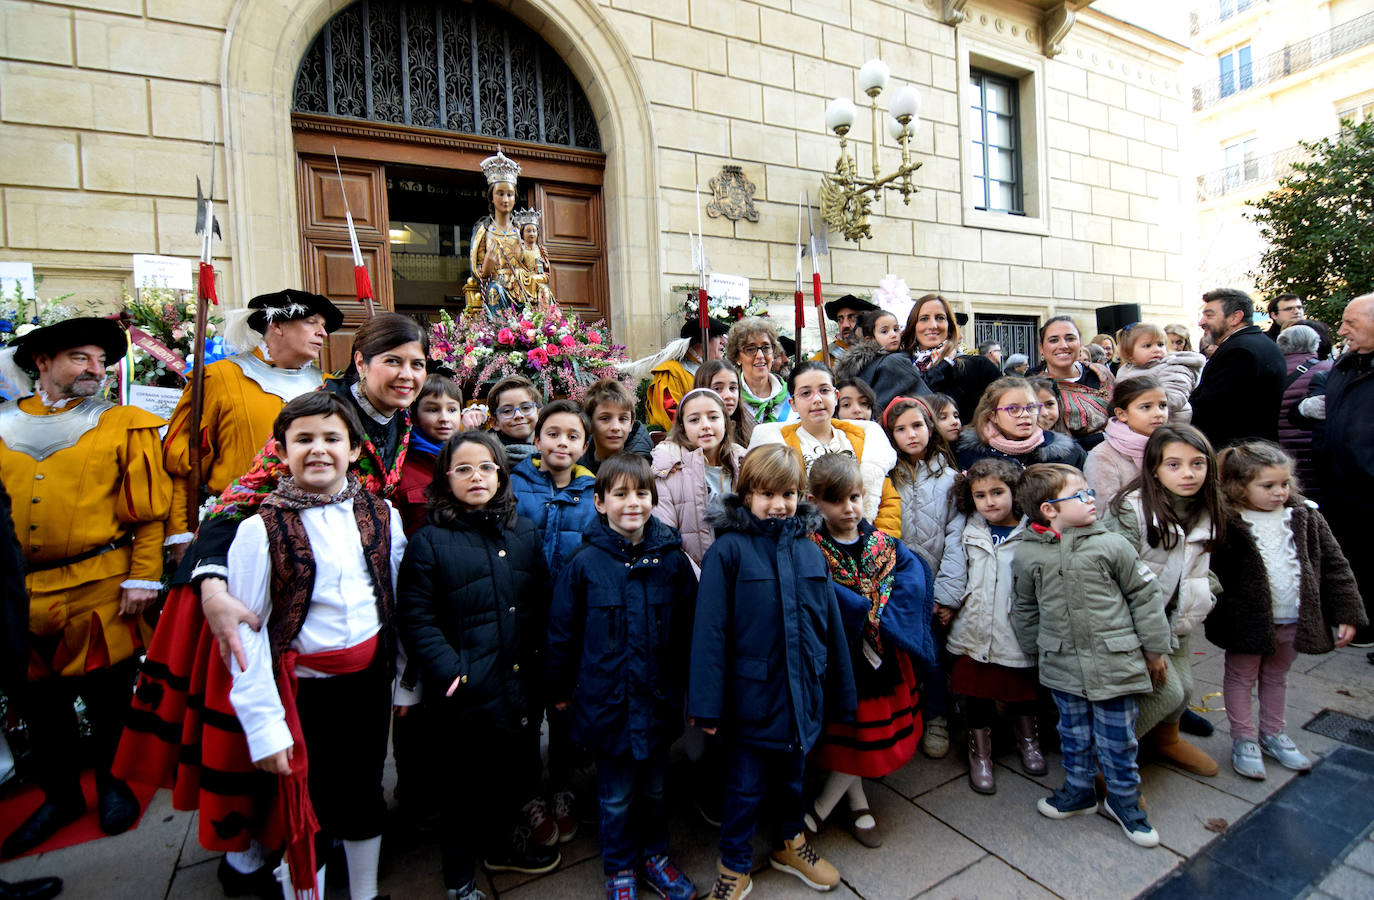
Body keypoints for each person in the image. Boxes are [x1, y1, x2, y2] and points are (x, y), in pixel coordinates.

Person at [115, 314, 427, 887]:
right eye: (393, 361)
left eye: (416, 364)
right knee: (273, 744)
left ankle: (342, 842)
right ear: (359, 363)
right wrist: (211, 581)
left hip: (355, 590)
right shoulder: (320, 413)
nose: (407, 375)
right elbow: (241, 499)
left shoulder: (397, 419)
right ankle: (263, 850)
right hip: (283, 589)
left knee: (350, 760)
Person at [220, 392, 407, 900]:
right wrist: (263, 726)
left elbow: (393, 597)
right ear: (281, 451)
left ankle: (366, 892)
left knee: (365, 787)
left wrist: (403, 683)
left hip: (368, 681)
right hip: (303, 692)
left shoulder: (380, 513)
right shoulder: (260, 530)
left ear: (353, 451)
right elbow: (247, 635)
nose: (319, 450)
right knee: (310, 800)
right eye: (304, 439)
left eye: (332, 439)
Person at [0, 317, 170, 858]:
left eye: (100, 361)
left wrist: (144, 575)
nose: (95, 370)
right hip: (18, 592)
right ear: (42, 362)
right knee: (41, 706)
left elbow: (148, 515)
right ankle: (60, 797)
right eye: (80, 358)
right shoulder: (0, 424)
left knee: (109, 699)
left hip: (102, 586)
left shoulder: (126, 424)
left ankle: (114, 784)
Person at [689, 445, 856, 899]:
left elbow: (830, 627)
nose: (778, 504)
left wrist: (840, 690)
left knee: (792, 780)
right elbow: (711, 633)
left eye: (786, 493)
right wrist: (705, 704)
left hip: (802, 694)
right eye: (766, 494)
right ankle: (735, 865)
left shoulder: (809, 552)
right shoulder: (729, 552)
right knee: (743, 789)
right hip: (752, 700)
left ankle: (790, 843)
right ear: (746, 496)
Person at [397, 430, 559, 897]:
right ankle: (460, 880)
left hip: (517, 682)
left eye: (486, 467)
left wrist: (540, 667)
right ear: (446, 478)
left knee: (512, 775)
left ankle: (503, 845)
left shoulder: (522, 531)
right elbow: (417, 617)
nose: (476, 477)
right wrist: (453, 673)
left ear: (501, 474)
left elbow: (538, 602)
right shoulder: (430, 541)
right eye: (464, 468)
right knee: (462, 792)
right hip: (466, 692)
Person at [548, 454, 698, 900]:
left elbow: (690, 628)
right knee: (614, 797)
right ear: (599, 502)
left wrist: (693, 687)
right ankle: (619, 868)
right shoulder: (583, 564)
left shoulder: (671, 560)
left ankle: (655, 858)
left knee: (654, 790)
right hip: (606, 704)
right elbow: (562, 632)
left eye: (642, 493)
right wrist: (558, 688)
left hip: (657, 702)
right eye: (620, 494)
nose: (632, 503)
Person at [1010, 463, 1172, 848]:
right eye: (1079, 495)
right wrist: (1036, 649)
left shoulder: (1111, 544)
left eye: (1089, 493)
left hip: (1114, 660)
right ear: (1049, 509)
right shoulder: (1029, 554)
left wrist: (1154, 650)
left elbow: (1144, 597)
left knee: (1118, 739)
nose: (1091, 500)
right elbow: (1025, 607)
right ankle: (1079, 790)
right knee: (1073, 732)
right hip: (1062, 661)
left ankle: (1125, 801)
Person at [1208, 441, 1365, 778]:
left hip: (1292, 618)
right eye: (1268, 486)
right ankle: (1244, 738)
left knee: (1277, 676)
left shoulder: (1305, 516)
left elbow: (1336, 565)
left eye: (1284, 484)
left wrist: (1347, 612)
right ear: (1238, 486)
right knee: (1240, 677)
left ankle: (1273, 732)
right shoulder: (1227, 522)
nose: (1279, 492)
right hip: (1246, 623)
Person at [804, 453, 933, 847]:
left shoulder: (882, 543)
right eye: (837, 501)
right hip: (843, 659)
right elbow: (815, 598)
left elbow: (912, 581)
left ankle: (820, 811)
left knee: (866, 736)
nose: (849, 509)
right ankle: (855, 805)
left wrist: (883, 617)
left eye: (856, 498)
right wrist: (855, 609)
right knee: (852, 736)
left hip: (882, 659)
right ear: (815, 502)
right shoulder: (811, 547)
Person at [164, 289, 342, 560]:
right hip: (232, 530)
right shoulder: (217, 378)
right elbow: (183, 462)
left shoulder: (329, 387)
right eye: (311, 322)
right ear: (277, 324)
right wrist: (180, 532)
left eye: (323, 325)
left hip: (314, 533)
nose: (323, 333)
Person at [1102, 425, 1225, 778]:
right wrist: (1145, 643)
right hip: (1141, 623)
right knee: (1165, 691)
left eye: (1197, 463)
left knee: (1184, 690)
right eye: (1174, 464)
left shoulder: (1207, 507)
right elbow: (1113, 575)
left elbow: (1201, 564)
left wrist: (1206, 592)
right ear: (1154, 467)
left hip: (1182, 617)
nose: (1188, 473)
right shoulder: (1132, 510)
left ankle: (1166, 740)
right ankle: (1104, 758)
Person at [875, 397, 966, 759]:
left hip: (936, 585)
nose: (911, 435)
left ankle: (937, 717)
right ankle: (906, 718)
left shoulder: (951, 479)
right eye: (900, 429)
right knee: (902, 658)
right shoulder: (883, 477)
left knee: (933, 657)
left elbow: (958, 537)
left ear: (931, 427)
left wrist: (946, 594)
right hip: (898, 588)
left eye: (917, 426)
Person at [945, 458, 1041, 794]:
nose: (990, 502)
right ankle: (980, 753)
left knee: (1021, 688)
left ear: (1014, 492)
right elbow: (957, 569)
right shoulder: (971, 528)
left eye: (998, 492)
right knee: (977, 693)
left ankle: (1028, 740)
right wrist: (949, 602)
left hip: (1013, 625)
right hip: (975, 625)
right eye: (981, 495)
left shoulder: (1031, 531)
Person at [1292, 294, 1374, 644]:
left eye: (1350, 323)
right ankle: (1357, 623)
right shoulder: (1345, 364)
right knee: (1349, 557)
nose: (1341, 330)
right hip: (1339, 485)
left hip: (1367, 485)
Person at [749, 361, 897, 523]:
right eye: (806, 393)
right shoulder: (779, 444)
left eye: (824, 390)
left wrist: (875, 543)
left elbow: (888, 501)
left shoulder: (864, 439)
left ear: (836, 397)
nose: (817, 399)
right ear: (793, 404)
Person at [651, 388, 746, 571]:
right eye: (694, 420)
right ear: (682, 427)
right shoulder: (668, 470)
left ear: (725, 423)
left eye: (713, 417)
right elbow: (664, 534)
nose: (705, 425)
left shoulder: (744, 465)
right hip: (692, 578)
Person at [1189, 288, 1287, 449]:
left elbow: (1212, 409)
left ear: (1235, 317)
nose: (1201, 322)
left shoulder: (1239, 351)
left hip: (1238, 456)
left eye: (1209, 315)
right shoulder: (1259, 343)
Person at [470, 150, 551, 315]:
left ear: (515, 198)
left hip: (522, 283)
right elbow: (478, 270)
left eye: (510, 194)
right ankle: (500, 334)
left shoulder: (520, 230)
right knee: (495, 291)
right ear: (491, 196)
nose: (505, 199)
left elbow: (533, 263)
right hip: (497, 284)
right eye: (500, 194)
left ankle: (544, 329)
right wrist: (485, 269)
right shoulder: (484, 231)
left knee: (544, 292)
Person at [899, 294, 999, 422]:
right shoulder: (899, 366)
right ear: (913, 326)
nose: (933, 325)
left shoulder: (978, 367)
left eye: (940, 318)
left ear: (950, 326)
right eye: (924, 318)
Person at [953, 376, 1086, 471]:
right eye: (1013, 409)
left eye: (1031, 407)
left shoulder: (1068, 454)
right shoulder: (969, 453)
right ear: (992, 415)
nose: (1026, 415)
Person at [397, 373, 470, 535]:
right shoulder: (401, 466)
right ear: (414, 417)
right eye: (432, 410)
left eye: (451, 409)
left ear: (461, 415)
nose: (444, 418)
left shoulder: (471, 460)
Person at [1083, 377, 1169, 504]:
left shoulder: (1174, 445)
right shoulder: (1102, 456)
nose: (1158, 413)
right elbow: (1104, 511)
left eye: (1163, 405)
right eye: (1146, 407)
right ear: (1122, 414)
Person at [1036, 317, 1114, 448]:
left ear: (1080, 343)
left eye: (1070, 338)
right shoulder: (1037, 389)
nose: (1063, 345)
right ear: (1041, 348)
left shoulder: (1101, 374)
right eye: (1053, 340)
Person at [1275, 325, 1331, 507]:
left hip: (1281, 448)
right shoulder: (1329, 371)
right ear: (1315, 345)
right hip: (1314, 449)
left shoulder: (1273, 369)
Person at [834, 309, 930, 413]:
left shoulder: (858, 366)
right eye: (884, 331)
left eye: (896, 329)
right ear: (869, 339)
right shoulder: (894, 362)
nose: (893, 335)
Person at [646, 318, 730, 431]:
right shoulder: (671, 373)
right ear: (701, 341)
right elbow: (672, 418)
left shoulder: (718, 372)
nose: (723, 341)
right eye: (717, 336)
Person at [1113, 323, 1206, 424]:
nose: (1156, 349)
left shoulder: (1172, 367)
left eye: (1160, 344)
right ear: (1129, 353)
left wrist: (1141, 407)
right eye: (1147, 346)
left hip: (1168, 426)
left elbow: (1174, 399)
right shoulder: (1126, 369)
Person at [579, 378, 654, 473]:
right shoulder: (576, 457)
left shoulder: (641, 468)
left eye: (623, 419)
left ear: (631, 423)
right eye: (605, 418)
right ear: (590, 422)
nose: (616, 427)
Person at [727, 317, 792, 424]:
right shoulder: (730, 398)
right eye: (750, 349)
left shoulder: (791, 396)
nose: (760, 355)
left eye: (766, 348)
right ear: (737, 356)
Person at [695, 358, 755, 447]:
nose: (728, 395)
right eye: (717, 389)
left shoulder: (750, 432)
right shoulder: (687, 436)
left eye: (733, 388)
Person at [487, 374, 543, 468]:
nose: (518, 415)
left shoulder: (556, 452)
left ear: (539, 414)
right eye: (507, 411)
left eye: (526, 407)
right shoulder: (487, 459)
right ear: (495, 422)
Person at [817, 294, 878, 361]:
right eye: (840, 319)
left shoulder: (883, 355)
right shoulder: (825, 358)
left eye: (852, 317)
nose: (845, 325)